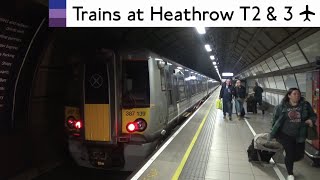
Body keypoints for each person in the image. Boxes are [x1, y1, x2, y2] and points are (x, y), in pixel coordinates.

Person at [269, 88, 317, 180]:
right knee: (290, 154)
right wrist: (273, 132)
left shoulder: (305, 105)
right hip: (285, 134)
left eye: (298, 94)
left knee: (299, 155)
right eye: (294, 94)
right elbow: (275, 120)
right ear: (289, 95)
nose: (297, 96)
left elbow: (313, 115)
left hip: (300, 134)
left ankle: (288, 159)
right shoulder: (281, 107)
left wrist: (311, 120)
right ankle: (290, 173)